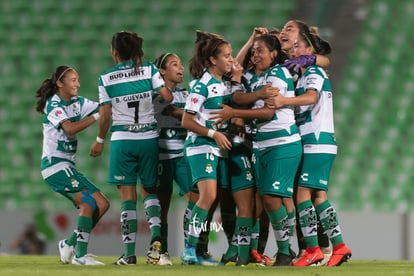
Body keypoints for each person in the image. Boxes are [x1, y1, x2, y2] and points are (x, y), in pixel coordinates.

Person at [210, 34, 302, 266]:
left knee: (271, 199)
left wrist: (235, 114)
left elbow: (268, 113)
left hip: (282, 142)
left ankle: (284, 251)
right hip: (261, 145)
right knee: (267, 200)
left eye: (260, 50)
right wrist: (251, 41)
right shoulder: (253, 77)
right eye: (254, 51)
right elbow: (235, 77)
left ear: (274, 54)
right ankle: (277, 251)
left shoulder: (279, 74)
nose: (255, 55)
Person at [89, 31, 173, 265]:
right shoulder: (148, 69)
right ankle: (157, 238)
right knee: (149, 191)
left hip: (123, 139)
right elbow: (167, 96)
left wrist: (99, 140)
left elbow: (105, 115)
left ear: (114, 52)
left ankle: (129, 254)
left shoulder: (106, 78)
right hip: (148, 138)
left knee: (127, 196)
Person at [273, 29, 352, 267]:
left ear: (309, 51)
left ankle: (313, 249)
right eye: (292, 46)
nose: (294, 50)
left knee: (302, 195)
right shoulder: (305, 72)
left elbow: (310, 98)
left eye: (299, 46)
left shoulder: (314, 71)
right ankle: (338, 246)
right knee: (319, 197)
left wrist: (284, 101)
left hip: (316, 140)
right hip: (319, 141)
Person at [35, 65, 110, 265]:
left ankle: (68, 244)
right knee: (88, 202)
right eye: (73, 80)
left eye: (77, 79)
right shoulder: (53, 104)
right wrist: (97, 116)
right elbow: (69, 129)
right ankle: (80, 256)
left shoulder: (78, 102)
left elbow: (103, 107)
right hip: (54, 167)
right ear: (60, 83)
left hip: (68, 166)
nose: (78, 83)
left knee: (102, 204)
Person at [180, 30, 233, 265]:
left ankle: (198, 251)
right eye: (227, 56)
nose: (231, 60)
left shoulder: (223, 83)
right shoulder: (202, 86)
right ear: (213, 60)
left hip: (216, 147)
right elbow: (187, 120)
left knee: (208, 200)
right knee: (208, 196)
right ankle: (189, 250)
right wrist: (214, 133)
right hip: (201, 145)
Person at [152, 52, 192, 266]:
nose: (181, 68)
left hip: (183, 155)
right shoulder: (157, 95)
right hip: (161, 155)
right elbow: (174, 111)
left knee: (197, 199)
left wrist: (184, 111)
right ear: (162, 71)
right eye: (174, 65)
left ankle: (191, 248)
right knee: (162, 207)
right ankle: (162, 252)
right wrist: (186, 112)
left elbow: (185, 112)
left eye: (181, 63)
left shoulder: (187, 93)